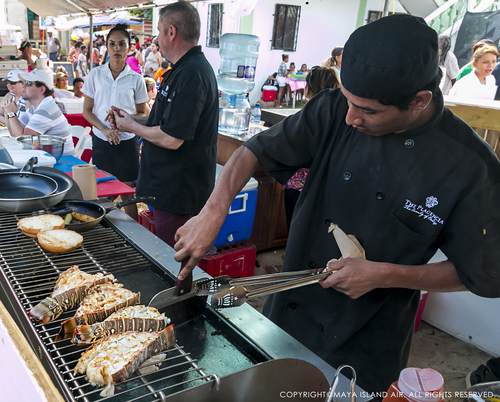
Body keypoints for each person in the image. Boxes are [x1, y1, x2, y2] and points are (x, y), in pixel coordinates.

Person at [172, 15, 500, 395]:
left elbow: (482, 273)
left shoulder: (470, 167)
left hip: (368, 339)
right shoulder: (333, 109)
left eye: (369, 111)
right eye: (347, 100)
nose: (350, 117)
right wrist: (214, 210)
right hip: (287, 312)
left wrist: (386, 274)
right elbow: (254, 150)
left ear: (419, 101)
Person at [108, 1, 219, 248]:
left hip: (178, 193)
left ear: (171, 32)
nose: (156, 39)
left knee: (173, 260)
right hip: (166, 189)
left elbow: (172, 138)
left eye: (158, 31)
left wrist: (131, 128)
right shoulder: (182, 69)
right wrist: (130, 118)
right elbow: (166, 121)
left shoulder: (192, 73)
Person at [81, 24, 148, 220]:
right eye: (112, 44)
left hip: (127, 140)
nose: (117, 49)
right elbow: (87, 111)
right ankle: (103, 227)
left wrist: (126, 123)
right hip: (102, 139)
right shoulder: (95, 74)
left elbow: (143, 112)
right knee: (103, 189)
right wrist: (104, 128)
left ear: (130, 47)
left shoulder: (136, 79)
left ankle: (135, 233)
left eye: (121, 44)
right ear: (106, 47)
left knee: (127, 189)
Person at [282, 66, 339, 229]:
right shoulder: (342, 118)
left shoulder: (306, 118)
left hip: (299, 185)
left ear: (309, 89)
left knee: (295, 232)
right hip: (329, 186)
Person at [1, 68, 75, 154]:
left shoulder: (45, 110)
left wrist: (11, 114)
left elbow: (22, 139)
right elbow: (14, 133)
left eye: (28, 83)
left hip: (61, 161)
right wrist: (8, 112)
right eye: (23, 83)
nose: (23, 86)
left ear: (42, 90)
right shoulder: (36, 107)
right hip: (50, 158)